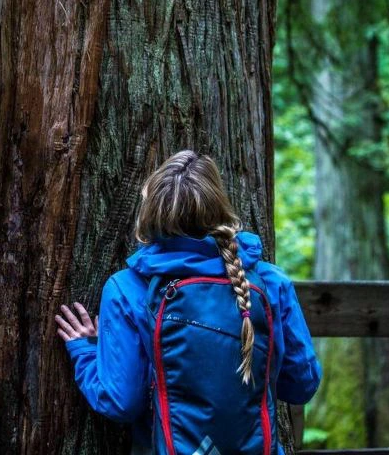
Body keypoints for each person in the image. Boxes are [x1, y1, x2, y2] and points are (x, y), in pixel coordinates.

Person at [55, 150, 322, 455]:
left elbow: (122, 403)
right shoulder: (270, 282)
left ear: (150, 212)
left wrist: (85, 352)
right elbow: (302, 385)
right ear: (219, 207)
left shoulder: (127, 289)